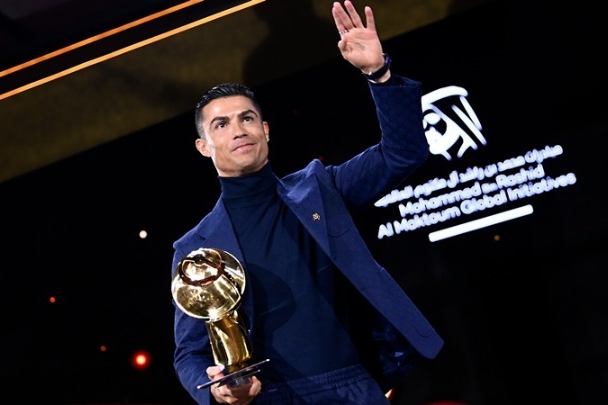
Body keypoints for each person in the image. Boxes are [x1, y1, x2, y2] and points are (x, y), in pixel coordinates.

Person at [170, 1, 444, 403]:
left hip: (356, 387)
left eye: (247, 118)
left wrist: (379, 74)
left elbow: (402, 153)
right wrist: (216, 389)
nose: (239, 130)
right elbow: (189, 354)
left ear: (266, 129)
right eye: (221, 124)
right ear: (203, 147)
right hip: (274, 397)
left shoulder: (320, 187)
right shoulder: (195, 249)